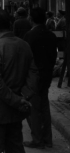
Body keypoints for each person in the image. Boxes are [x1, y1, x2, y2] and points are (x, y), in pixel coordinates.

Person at [0, 9, 38, 153]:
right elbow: (34, 73)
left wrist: (17, 100)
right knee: (15, 147)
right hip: (15, 111)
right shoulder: (24, 45)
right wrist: (24, 97)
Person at [23, 8, 57, 149]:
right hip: (47, 75)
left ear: (31, 19)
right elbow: (53, 57)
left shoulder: (29, 36)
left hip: (34, 77)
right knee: (44, 107)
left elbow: (25, 58)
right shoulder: (51, 36)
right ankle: (47, 139)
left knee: (33, 109)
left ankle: (37, 139)